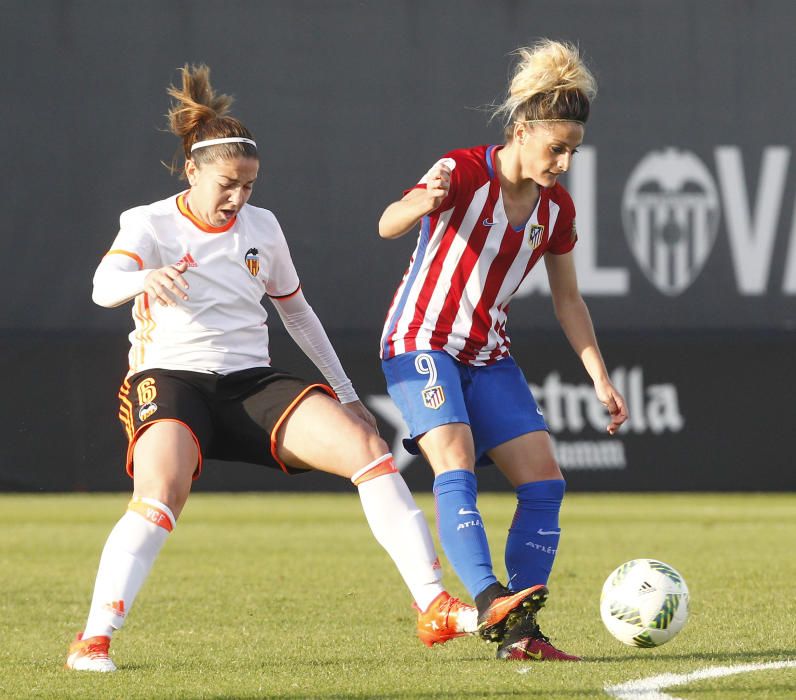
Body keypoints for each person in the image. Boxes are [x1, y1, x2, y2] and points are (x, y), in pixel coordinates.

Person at [66, 64, 477, 672]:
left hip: (248, 381)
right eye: (228, 183)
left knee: (367, 447)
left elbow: (298, 315)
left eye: (249, 186)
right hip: (171, 378)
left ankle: (433, 605)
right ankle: (94, 638)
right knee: (161, 493)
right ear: (193, 170)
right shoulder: (148, 222)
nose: (238, 198)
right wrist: (143, 278)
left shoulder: (263, 228)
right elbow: (102, 286)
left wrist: (345, 392)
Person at [377, 39, 629, 662]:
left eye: (573, 150)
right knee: (453, 460)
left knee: (545, 481)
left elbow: (568, 300)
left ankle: (521, 636)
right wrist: (420, 203)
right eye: (556, 147)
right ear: (522, 130)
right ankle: (490, 599)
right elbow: (388, 222)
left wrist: (598, 377)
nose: (565, 162)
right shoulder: (462, 170)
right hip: (421, 343)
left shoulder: (556, 208)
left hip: (487, 352)